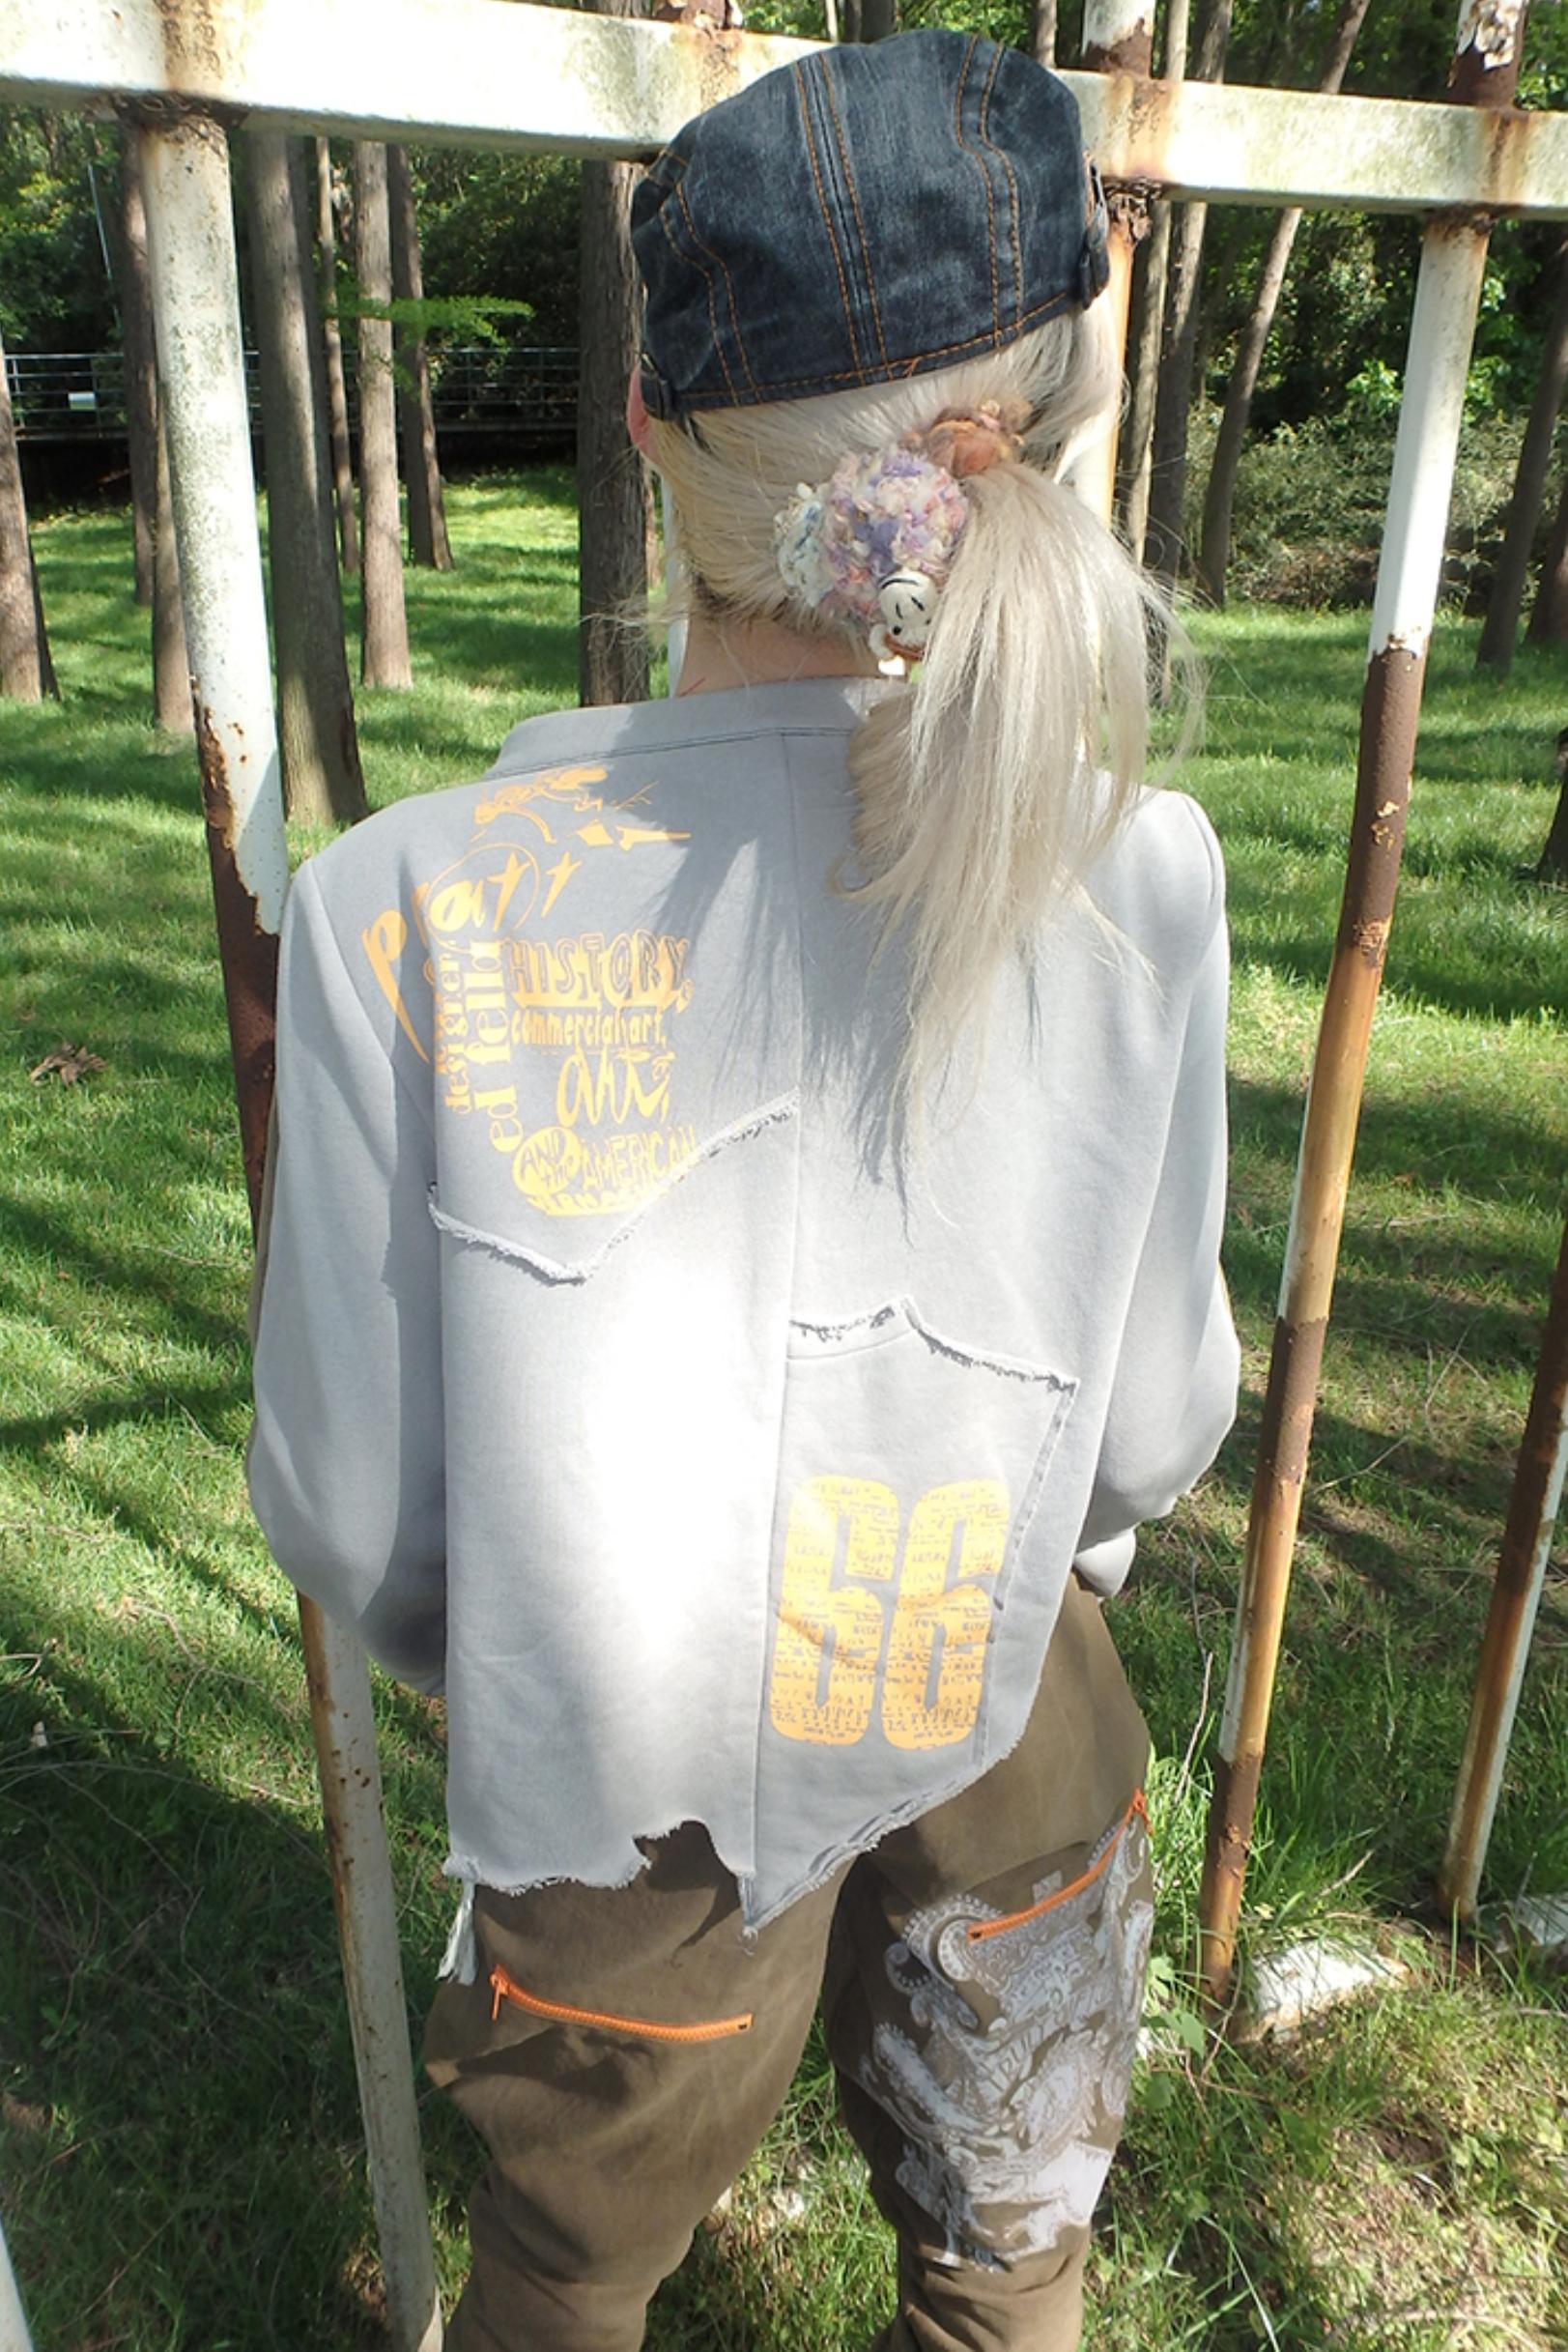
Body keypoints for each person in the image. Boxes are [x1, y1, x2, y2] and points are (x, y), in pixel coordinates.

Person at [247, 28, 1239, 2352]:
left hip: (606, 1760)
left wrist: (527, 1634)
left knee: (565, 2272)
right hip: (1000, 1665)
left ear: (644, 427)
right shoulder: (1142, 871)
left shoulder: (406, 909)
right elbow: (1148, 1426)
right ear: (1045, 431)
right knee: (1009, 2259)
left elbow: (348, 1507)